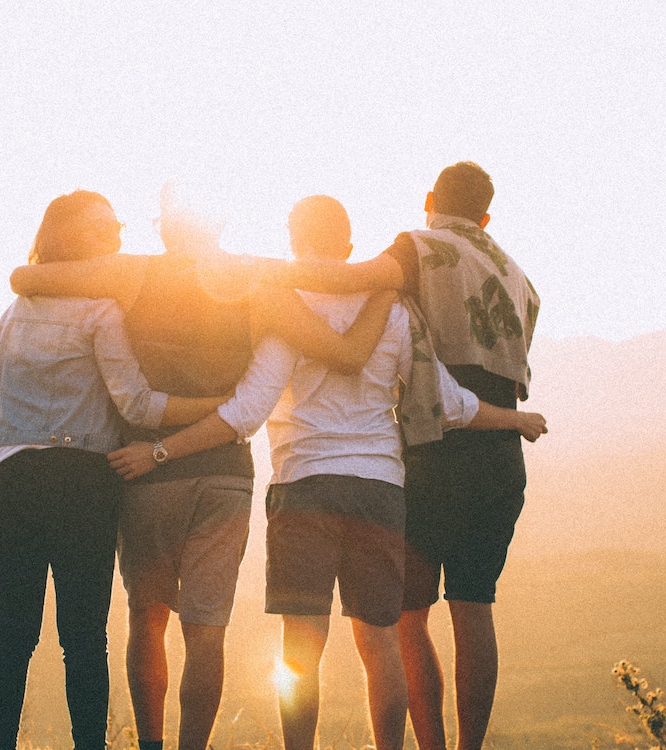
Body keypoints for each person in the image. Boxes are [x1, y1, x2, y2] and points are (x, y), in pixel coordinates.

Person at [108, 195, 546, 750]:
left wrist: (162, 451)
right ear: (347, 243)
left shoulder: (286, 308)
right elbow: (450, 402)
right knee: (380, 641)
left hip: (304, 487)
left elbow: (245, 412)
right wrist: (515, 418)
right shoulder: (394, 309)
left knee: (301, 648)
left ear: (294, 242)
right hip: (380, 489)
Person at [9, 184, 394, 750]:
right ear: (219, 223)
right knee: (206, 630)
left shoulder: (132, 273)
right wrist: (387, 282)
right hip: (225, 476)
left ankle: (152, 745)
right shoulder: (257, 280)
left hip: (146, 471)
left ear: (167, 225)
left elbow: (25, 278)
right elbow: (342, 349)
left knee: (148, 618)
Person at [255, 164, 540, 750]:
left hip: (431, 449)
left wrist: (247, 272)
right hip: (498, 454)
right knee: (475, 607)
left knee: (406, 618)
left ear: (431, 199)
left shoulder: (419, 248)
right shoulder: (519, 277)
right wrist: (514, 419)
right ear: (486, 216)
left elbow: (349, 279)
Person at [0, 190, 231, 750]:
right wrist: (216, 407)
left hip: (5, 479)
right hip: (79, 481)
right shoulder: (99, 310)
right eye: (102, 229)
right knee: (84, 637)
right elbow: (138, 406)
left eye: (117, 224)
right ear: (68, 237)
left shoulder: (10, 314)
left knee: (13, 631)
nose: (116, 235)